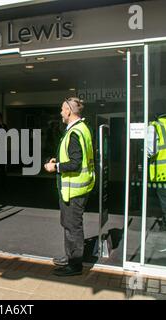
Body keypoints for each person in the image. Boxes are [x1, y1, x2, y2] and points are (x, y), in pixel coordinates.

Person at [44, 97, 95, 276]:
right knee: (68, 224)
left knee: (73, 226)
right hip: (76, 188)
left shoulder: (75, 132)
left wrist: (55, 167)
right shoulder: (82, 129)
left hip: (74, 188)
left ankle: (74, 265)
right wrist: (58, 160)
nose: (60, 113)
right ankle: (70, 257)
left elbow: (75, 163)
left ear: (69, 112)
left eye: (62, 109)